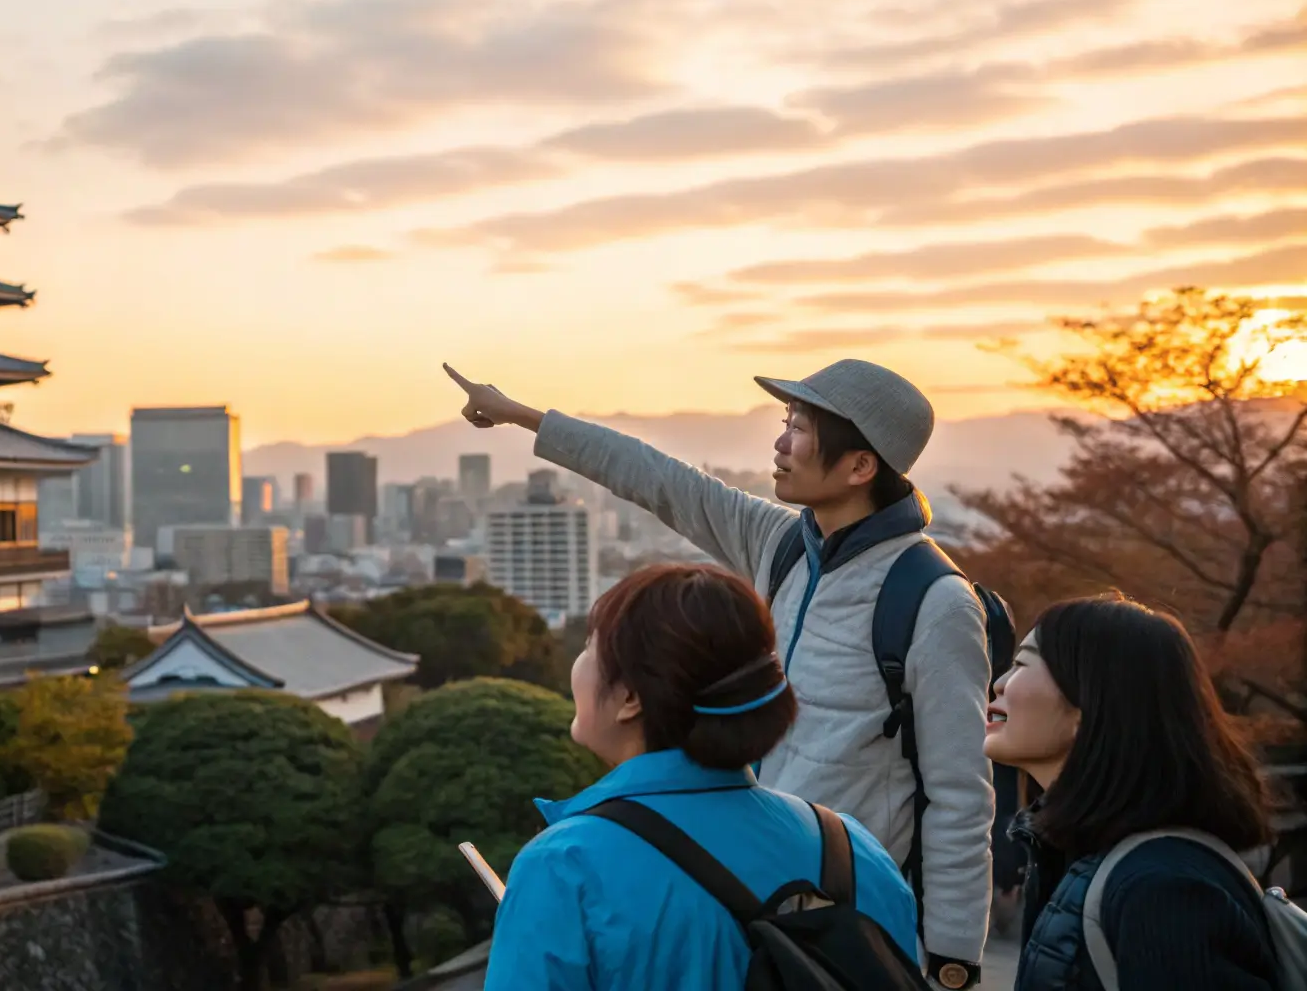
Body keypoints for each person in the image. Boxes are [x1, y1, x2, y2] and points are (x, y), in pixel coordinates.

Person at [445, 360, 993, 988]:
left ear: (860, 467)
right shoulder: (782, 543)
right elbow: (661, 481)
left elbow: (960, 793)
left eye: (802, 430)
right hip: (738, 876)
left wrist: (952, 963)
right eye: (786, 422)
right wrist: (519, 414)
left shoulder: (934, 599)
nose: (781, 442)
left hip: (844, 904)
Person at [486, 562, 919, 989]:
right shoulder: (854, 851)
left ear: (631, 697)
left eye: (588, 647)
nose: (578, 664)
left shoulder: (565, 868)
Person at [986, 593, 1278, 990]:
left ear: (1088, 702)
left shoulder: (1164, 890)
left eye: (1021, 664)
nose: (999, 683)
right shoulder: (1075, 855)